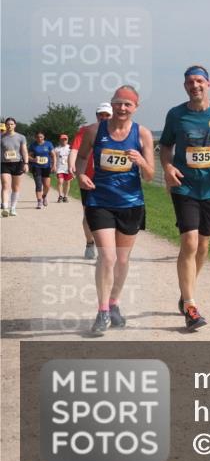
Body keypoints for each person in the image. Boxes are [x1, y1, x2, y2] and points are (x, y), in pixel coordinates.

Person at [159, 65, 210, 331]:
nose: (195, 86)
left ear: (208, 84)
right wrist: (168, 168)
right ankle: (191, 306)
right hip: (185, 186)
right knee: (190, 242)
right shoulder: (176, 115)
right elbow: (166, 146)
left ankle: (186, 292)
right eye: (189, 82)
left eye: (199, 81)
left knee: (203, 246)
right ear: (185, 87)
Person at [75, 87, 155, 335]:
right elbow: (81, 157)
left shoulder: (143, 134)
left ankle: (114, 303)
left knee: (122, 259)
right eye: (118, 103)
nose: (122, 108)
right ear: (112, 105)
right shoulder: (94, 131)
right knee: (107, 257)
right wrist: (80, 174)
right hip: (100, 201)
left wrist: (141, 162)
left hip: (131, 204)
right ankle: (102, 311)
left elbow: (150, 175)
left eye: (127, 105)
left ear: (135, 108)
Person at [70, 103, 113, 259]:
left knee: (110, 215)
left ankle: (105, 250)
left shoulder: (118, 132)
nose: (104, 117)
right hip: (89, 179)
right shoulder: (87, 131)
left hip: (110, 181)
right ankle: (90, 243)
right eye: (101, 114)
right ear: (96, 116)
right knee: (89, 215)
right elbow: (75, 149)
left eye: (107, 115)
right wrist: (72, 165)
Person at [1, 118, 29, 217]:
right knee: (5, 185)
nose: (10, 126)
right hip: (4, 163)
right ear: (5, 125)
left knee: (15, 187)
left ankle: (13, 208)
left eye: (12, 124)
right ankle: (5, 207)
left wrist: (26, 163)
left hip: (17, 163)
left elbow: (24, 151)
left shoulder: (21, 137)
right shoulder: (1, 137)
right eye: (8, 124)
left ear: (15, 125)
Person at [28, 131, 55, 209]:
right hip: (36, 167)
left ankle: (44, 196)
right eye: (37, 137)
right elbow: (28, 156)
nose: (39, 138)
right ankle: (39, 201)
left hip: (46, 167)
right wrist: (33, 159)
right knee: (38, 184)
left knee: (47, 185)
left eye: (41, 137)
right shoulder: (33, 145)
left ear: (44, 137)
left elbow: (53, 155)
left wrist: (54, 165)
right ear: (35, 137)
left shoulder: (48, 144)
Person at [54, 134, 72, 202]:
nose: (64, 141)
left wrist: (73, 167)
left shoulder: (70, 148)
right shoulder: (56, 149)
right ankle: (60, 196)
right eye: (62, 139)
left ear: (67, 140)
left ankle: (65, 196)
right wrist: (54, 166)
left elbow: (74, 158)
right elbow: (54, 158)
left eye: (65, 139)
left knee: (67, 182)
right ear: (60, 140)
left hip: (68, 168)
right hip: (59, 168)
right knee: (60, 181)